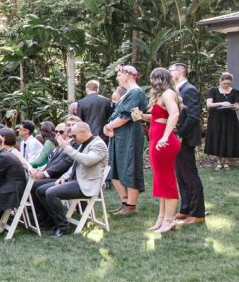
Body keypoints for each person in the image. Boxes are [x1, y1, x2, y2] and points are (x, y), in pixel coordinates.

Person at [131, 67, 182, 232]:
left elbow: (174, 114)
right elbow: (158, 117)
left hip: (163, 142)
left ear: (158, 79)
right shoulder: (161, 95)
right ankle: (161, 218)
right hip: (156, 139)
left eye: (153, 79)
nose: (151, 83)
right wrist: (142, 117)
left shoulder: (168, 94)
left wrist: (166, 136)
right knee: (159, 180)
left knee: (166, 179)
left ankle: (169, 220)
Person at [41, 122, 109, 237]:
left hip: (86, 184)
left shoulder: (98, 144)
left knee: (51, 193)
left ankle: (63, 228)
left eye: (74, 135)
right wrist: (63, 177)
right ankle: (55, 221)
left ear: (83, 132)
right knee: (41, 190)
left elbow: (87, 160)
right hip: (75, 180)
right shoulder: (84, 143)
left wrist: (67, 148)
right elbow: (75, 165)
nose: (73, 138)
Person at [105, 65, 148, 216]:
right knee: (114, 167)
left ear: (128, 75)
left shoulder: (136, 92)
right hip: (120, 135)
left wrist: (109, 126)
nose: (117, 77)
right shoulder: (128, 93)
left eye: (119, 75)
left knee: (130, 168)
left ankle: (131, 205)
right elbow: (132, 115)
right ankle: (124, 202)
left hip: (130, 136)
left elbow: (126, 116)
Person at [169, 63, 204, 225]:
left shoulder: (189, 90)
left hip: (185, 138)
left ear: (180, 72)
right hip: (177, 138)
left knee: (190, 176)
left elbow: (192, 116)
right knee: (181, 175)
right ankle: (185, 208)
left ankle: (197, 213)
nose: (170, 73)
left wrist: (181, 135)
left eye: (171, 71)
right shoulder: (176, 90)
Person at [205, 71, 239, 170]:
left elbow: (238, 105)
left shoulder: (235, 92)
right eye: (224, 83)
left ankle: (227, 162)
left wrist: (235, 107)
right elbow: (209, 104)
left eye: (228, 83)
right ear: (220, 81)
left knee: (229, 138)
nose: (226, 85)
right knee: (217, 138)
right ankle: (219, 162)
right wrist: (222, 103)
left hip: (230, 119)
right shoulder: (213, 91)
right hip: (216, 119)